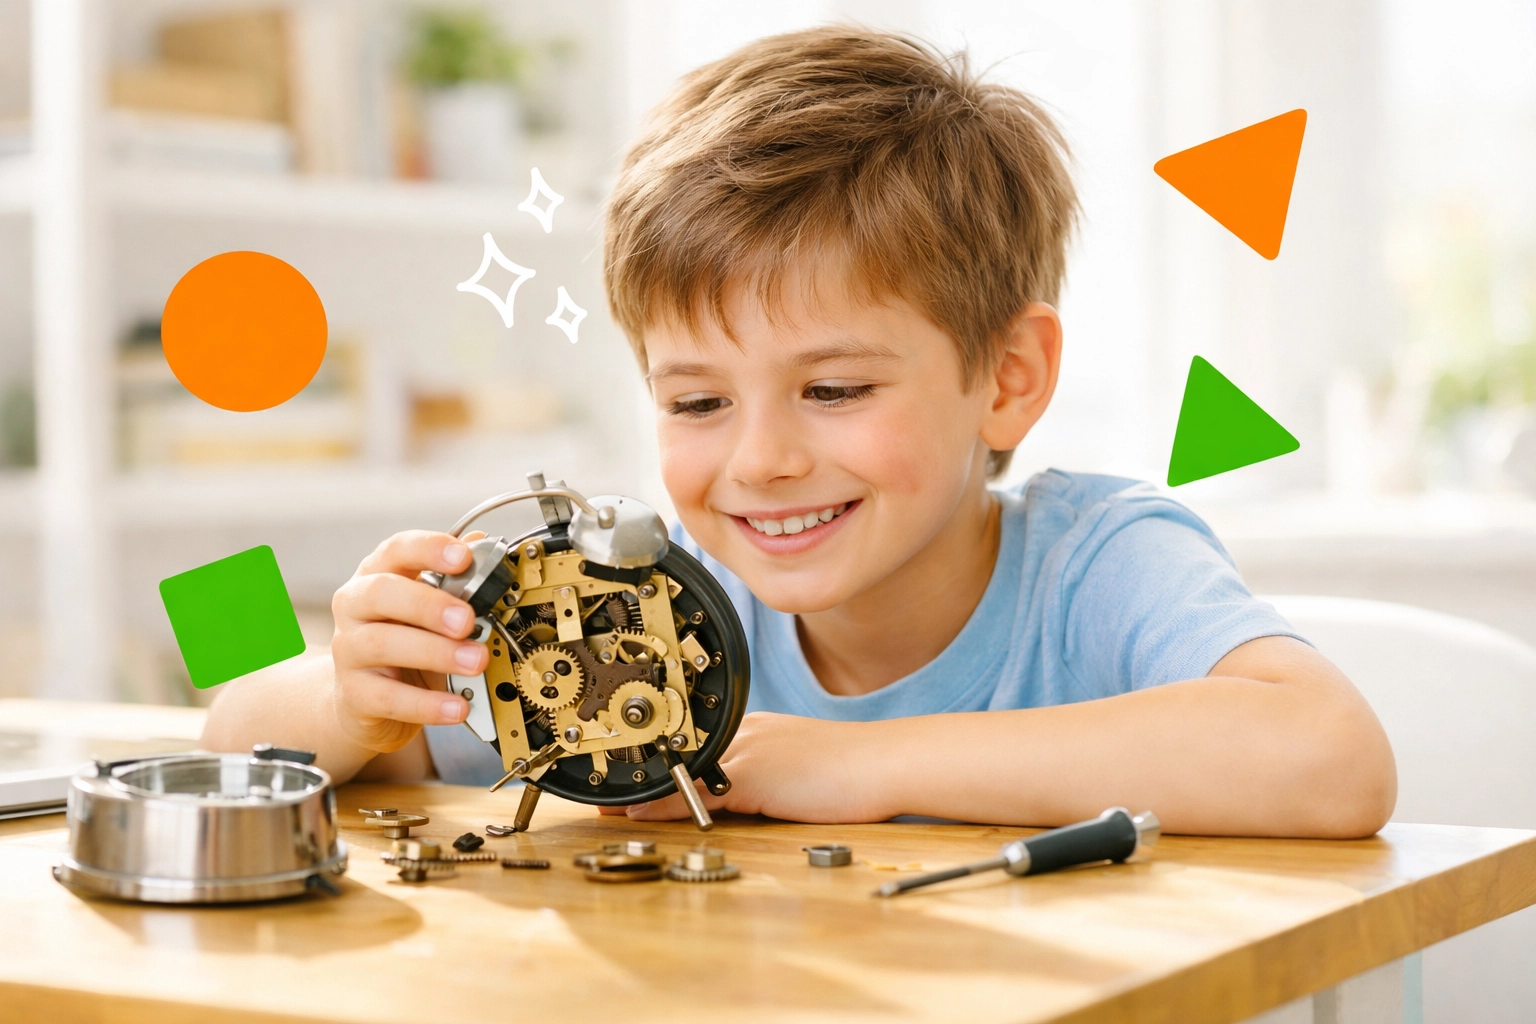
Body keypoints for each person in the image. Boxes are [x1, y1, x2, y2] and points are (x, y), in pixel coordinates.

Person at [202, 28, 1395, 837]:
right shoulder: (654, 598)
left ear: (1009, 377)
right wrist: (348, 701)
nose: (759, 459)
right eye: (697, 402)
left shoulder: (1100, 560)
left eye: (833, 390)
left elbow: (1330, 756)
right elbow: (231, 737)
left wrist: (852, 765)